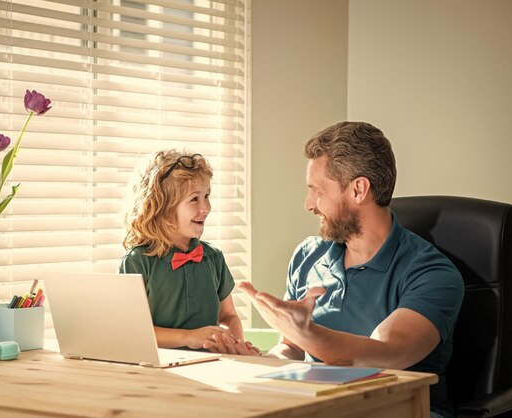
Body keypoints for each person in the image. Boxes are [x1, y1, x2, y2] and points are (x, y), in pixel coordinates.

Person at [208, 122, 464, 418]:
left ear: (358, 189)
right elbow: (291, 348)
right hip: (319, 407)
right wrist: (262, 361)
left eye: (317, 191)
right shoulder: (309, 255)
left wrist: (308, 332)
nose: (309, 205)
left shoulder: (432, 274)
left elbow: (385, 353)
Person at [119, 150, 257, 353]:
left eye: (207, 196)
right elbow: (133, 331)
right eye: (194, 199)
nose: (206, 207)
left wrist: (232, 344)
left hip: (212, 364)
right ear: (162, 207)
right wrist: (190, 337)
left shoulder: (213, 257)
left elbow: (228, 316)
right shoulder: (137, 262)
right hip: (160, 371)